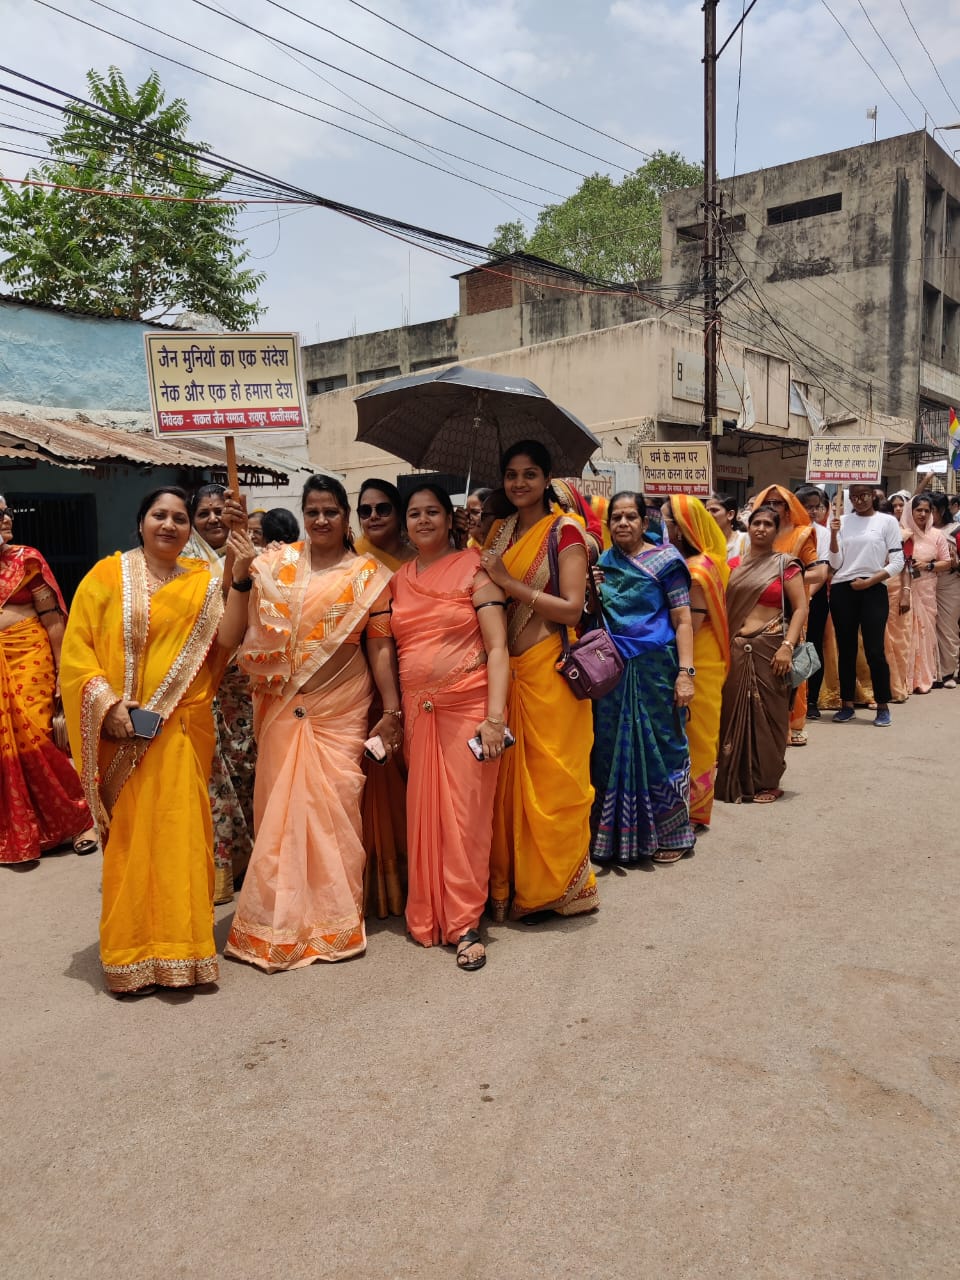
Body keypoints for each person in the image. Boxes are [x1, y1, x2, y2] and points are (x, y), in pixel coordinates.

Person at [219, 475, 402, 972]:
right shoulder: (271, 565)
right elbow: (230, 634)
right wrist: (238, 569)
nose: (321, 520)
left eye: (331, 511)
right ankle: (273, 925)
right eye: (313, 510)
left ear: (346, 517)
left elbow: (380, 647)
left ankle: (334, 920)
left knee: (335, 811)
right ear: (303, 514)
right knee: (279, 815)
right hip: (280, 708)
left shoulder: (370, 575)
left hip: (341, 708)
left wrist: (391, 710)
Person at [59, 488, 226, 994]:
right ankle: (130, 955)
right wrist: (107, 706)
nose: (170, 525)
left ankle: (183, 953)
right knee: (132, 844)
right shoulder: (106, 576)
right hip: (123, 733)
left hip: (178, 730)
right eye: (160, 515)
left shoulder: (205, 583)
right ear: (140, 523)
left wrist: (239, 565)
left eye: (180, 518)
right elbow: (77, 650)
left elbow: (230, 638)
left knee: (179, 838)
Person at [390, 484, 508, 970]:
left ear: (450, 517)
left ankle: (464, 923)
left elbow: (497, 648)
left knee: (465, 819)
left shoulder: (475, 567)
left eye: (432, 512)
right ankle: (430, 912)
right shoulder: (397, 579)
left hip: (469, 709)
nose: (422, 521)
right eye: (414, 514)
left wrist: (495, 718)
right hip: (419, 715)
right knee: (427, 816)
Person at [480, 441, 599, 921]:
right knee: (509, 785)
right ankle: (516, 885)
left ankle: (560, 887)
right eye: (511, 475)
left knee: (554, 785)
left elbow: (571, 608)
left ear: (546, 478)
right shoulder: (500, 533)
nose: (519, 484)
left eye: (530, 474)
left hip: (551, 668)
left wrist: (509, 583)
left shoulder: (565, 531)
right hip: (510, 671)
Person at [589, 493, 695, 864]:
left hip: (657, 670)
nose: (622, 523)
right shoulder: (604, 563)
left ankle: (673, 833)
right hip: (613, 672)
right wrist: (595, 589)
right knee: (608, 747)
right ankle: (614, 837)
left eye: (630, 516)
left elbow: (683, 620)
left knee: (663, 746)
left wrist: (686, 673)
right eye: (616, 517)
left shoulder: (666, 562)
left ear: (644, 522)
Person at [0, 496, 95, 864]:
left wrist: (62, 672)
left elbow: (53, 619)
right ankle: (22, 832)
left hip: (29, 656)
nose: (6, 519)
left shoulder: (26, 558)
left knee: (38, 737)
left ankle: (78, 820)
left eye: (7, 511)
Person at [186, 482, 252, 904]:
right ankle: (218, 870)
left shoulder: (248, 550)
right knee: (212, 777)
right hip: (198, 679)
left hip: (243, 681)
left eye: (219, 511)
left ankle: (249, 859)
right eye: (204, 513)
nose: (213, 519)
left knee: (247, 766)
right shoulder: (183, 561)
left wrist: (241, 561)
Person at [716, 505, 808, 804]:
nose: (761, 528)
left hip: (772, 649)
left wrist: (787, 646)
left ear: (777, 530)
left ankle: (768, 780)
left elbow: (801, 608)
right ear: (748, 525)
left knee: (769, 718)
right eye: (756, 523)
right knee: (731, 713)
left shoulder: (785, 565)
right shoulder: (732, 565)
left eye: (769, 524)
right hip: (736, 649)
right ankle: (734, 777)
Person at [354, 478, 415, 920]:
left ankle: (425, 872)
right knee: (378, 783)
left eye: (382, 509)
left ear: (399, 515)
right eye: (365, 510)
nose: (373, 517)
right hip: (367, 685)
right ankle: (385, 887)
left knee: (422, 781)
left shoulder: (424, 561)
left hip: (420, 681)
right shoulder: (353, 563)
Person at [662, 494, 730, 834]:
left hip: (698, 659)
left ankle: (693, 810)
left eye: (667, 523)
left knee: (697, 734)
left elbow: (694, 622)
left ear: (681, 528)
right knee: (697, 733)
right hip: (707, 656)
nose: (663, 530)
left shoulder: (695, 569)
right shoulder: (712, 559)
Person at [827, 483, 905, 723]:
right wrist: (832, 534)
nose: (859, 500)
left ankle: (883, 705)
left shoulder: (886, 521)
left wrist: (870, 582)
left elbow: (897, 561)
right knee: (847, 649)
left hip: (873, 589)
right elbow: (835, 562)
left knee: (874, 650)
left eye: (863, 495)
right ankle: (847, 704)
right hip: (843, 588)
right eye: (854, 497)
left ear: (873, 496)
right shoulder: (842, 521)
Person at [751, 485, 818, 744]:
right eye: (767, 502)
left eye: (778, 503)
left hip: (790, 607)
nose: (773, 506)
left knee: (788, 666)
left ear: (788, 508)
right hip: (755, 610)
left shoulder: (802, 535)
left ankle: (791, 723)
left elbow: (819, 572)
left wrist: (784, 579)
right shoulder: (755, 533)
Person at [898, 492, 951, 695]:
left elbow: (946, 562)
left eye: (926, 511)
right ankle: (904, 679)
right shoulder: (903, 533)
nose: (922, 514)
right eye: (918, 510)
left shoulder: (936, 535)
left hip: (927, 589)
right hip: (902, 588)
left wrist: (928, 565)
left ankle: (922, 678)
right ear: (911, 512)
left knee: (925, 633)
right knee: (905, 633)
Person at [793, 485, 832, 718]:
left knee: (812, 647)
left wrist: (806, 595)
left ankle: (812, 700)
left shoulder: (822, 533)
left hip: (813, 598)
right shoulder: (786, 529)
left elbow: (822, 570)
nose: (812, 511)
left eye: (816, 507)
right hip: (786, 597)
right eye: (807, 506)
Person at [876, 498, 912, 703]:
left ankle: (896, 687)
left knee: (897, 642)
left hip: (897, 591)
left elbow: (907, 567)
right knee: (877, 642)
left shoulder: (903, 535)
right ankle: (879, 688)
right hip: (873, 590)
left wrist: (906, 592)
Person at [930, 493, 960, 688]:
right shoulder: (922, 530)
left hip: (949, 583)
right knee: (926, 629)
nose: (926, 514)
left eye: (930, 510)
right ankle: (931, 672)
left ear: (941, 510)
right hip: (925, 584)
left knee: (947, 627)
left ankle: (948, 672)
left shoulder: (955, 530)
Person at [706, 492, 748, 562]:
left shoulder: (744, 540)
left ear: (730, 514)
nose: (708, 515)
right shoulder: (705, 543)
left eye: (714, 510)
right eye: (706, 511)